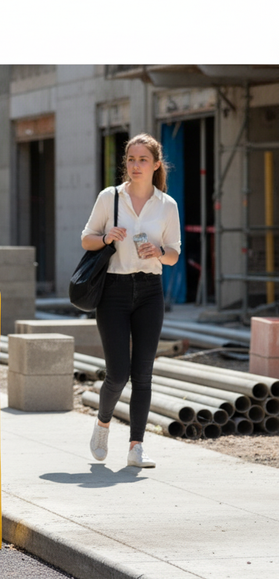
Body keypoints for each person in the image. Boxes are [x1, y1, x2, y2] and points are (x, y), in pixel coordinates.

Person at [81, 133, 181, 468]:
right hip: (113, 290)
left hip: (150, 291)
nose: (135, 166)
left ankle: (136, 446)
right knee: (118, 373)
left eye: (142, 160)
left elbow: (174, 255)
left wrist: (159, 251)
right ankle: (103, 423)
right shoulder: (109, 198)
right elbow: (87, 239)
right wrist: (106, 237)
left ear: (155, 165)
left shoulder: (167, 205)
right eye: (131, 159)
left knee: (143, 373)